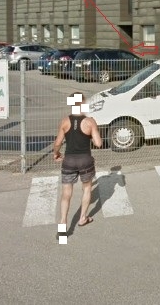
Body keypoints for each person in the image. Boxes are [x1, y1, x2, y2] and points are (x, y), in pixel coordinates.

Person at [52, 92, 103, 237]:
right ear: (83, 104)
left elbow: (58, 143)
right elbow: (98, 143)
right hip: (85, 160)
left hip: (68, 161)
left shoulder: (65, 121)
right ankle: (82, 218)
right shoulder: (90, 121)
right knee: (87, 188)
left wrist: (56, 153)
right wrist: (94, 131)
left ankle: (63, 226)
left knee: (66, 194)